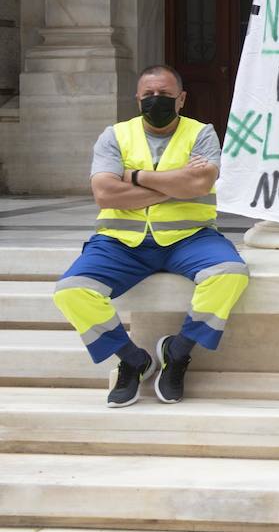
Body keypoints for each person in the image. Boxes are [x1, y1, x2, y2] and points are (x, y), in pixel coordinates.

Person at [52, 65, 249, 408]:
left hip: (190, 237)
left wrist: (134, 176)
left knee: (231, 274)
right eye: (149, 95)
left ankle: (178, 351)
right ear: (138, 98)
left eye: (165, 95)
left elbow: (200, 183)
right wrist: (176, 185)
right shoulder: (114, 135)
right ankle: (133, 360)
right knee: (71, 291)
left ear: (181, 99)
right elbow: (105, 193)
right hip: (121, 242)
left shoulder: (201, 133)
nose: (156, 100)